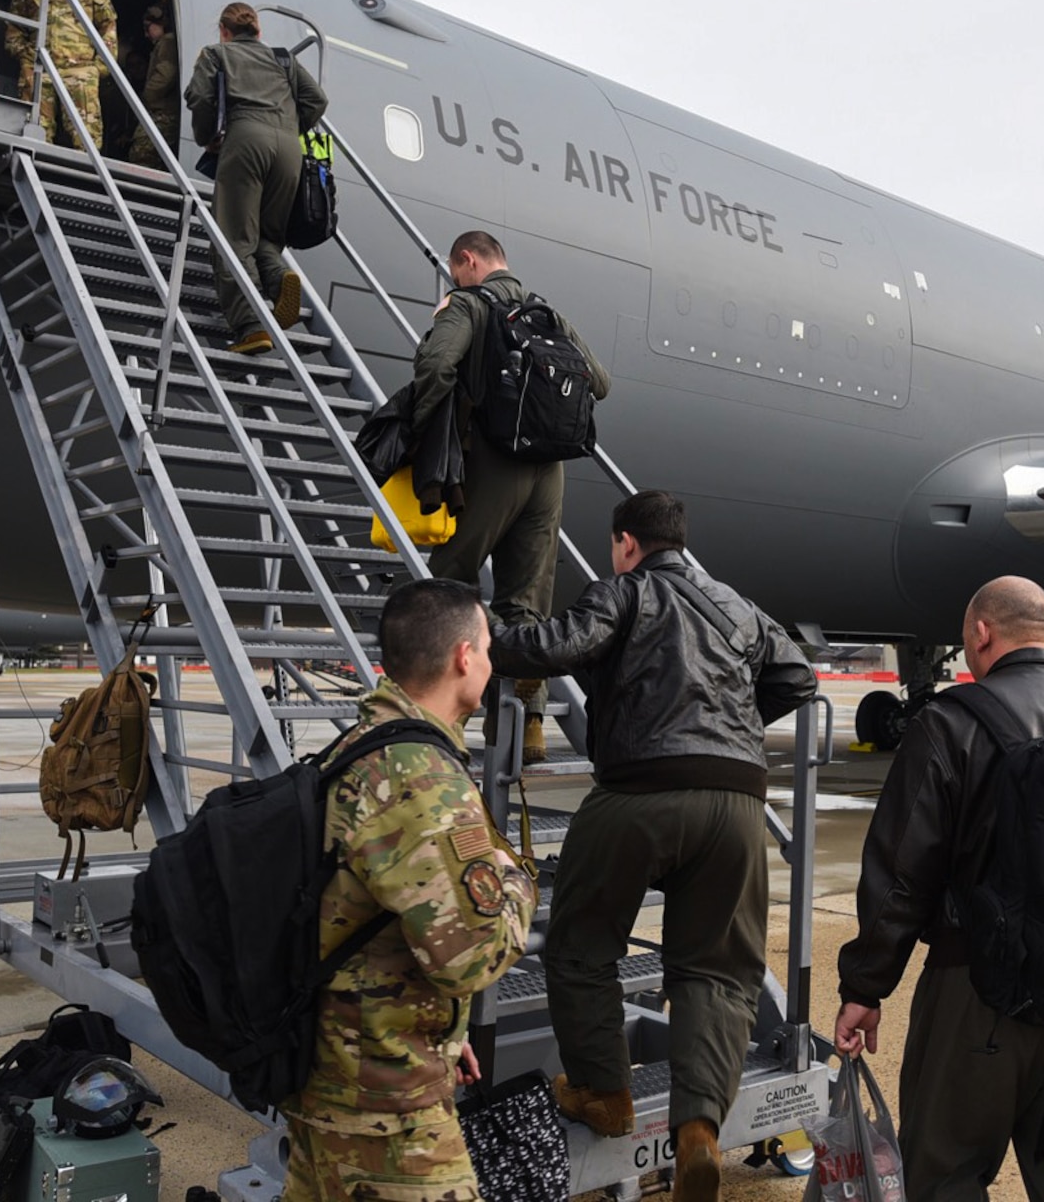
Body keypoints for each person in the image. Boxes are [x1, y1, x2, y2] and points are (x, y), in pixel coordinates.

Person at [488, 490, 816, 1202]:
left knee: (581, 943)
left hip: (637, 792)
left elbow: (552, 647)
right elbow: (798, 674)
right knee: (718, 968)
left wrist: (480, 632)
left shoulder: (624, 593)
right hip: (735, 801)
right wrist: (728, 727)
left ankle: (606, 1095)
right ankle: (699, 1128)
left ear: (626, 543)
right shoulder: (734, 604)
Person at [833, 577, 1044, 1202]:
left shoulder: (950, 724)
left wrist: (865, 987)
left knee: (945, 1174)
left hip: (980, 992)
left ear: (982, 634)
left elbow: (901, 871)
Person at [283, 577, 539, 1202]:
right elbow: (470, 957)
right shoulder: (420, 779)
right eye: (485, 646)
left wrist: (444, 1039)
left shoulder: (356, 749)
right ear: (463, 658)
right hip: (387, 1112)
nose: (489, 659)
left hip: (327, 1076)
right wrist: (519, 881)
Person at [413, 230, 610, 761]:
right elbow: (601, 381)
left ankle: (445, 716)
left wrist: (425, 425)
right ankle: (527, 727)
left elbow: (435, 366)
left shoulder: (467, 305)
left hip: (494, 463)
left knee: (450, 584)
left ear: (468, 261)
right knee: (526, 602)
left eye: (457, 271)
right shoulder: (547, 313)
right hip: (549, 472)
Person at [184, 1, 328, 354]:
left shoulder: (216, 53)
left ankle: (250, 326)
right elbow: (317, 100)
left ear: (224, 31)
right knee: (267, 235)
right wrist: (290, 126)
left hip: (246, 141)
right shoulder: (283, 59)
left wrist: (208, 137)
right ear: (259, 31)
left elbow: (201, 97)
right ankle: (280, 280)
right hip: (288, 149)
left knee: (233, 237)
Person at [5, 0, 117, 150]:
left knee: (85, 139)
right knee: (35, 134)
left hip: (79, 72)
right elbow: (14, 27)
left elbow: (109, 27)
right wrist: (25, 56)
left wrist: (98, 69)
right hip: (39, 69)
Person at [126, 4, 179, 168]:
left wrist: (146, 97)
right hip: (162, 113)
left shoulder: (167, 43)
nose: (146, 34)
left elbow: (165, 76)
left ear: (159, 24)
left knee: (142, 154)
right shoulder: (165, 43)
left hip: (162, 114)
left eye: (148, 28)